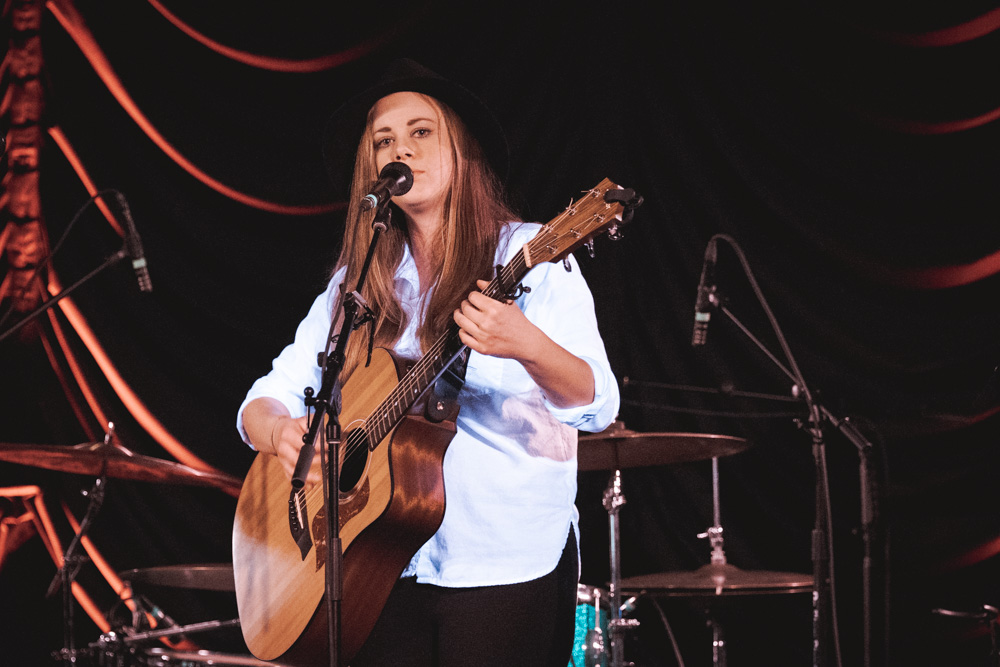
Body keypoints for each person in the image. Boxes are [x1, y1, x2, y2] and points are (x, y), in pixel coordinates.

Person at [236, 58, 620, 667]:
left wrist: (528, 344)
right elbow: (266, 396)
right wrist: (281, 432)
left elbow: (598, 403)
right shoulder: (356, 287)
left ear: (462, 153)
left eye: (421, 132)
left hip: (501, 558)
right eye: (384, 140)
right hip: (378, 562)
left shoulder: (530, 255)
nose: (401, 149)